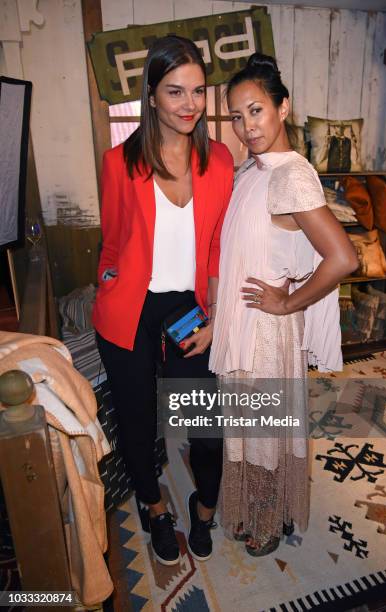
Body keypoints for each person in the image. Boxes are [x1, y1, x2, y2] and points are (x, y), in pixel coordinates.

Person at [209, 53, 358, 556]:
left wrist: (289, 301)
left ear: (283, 108)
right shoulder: (250, 171)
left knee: (265, 431)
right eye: (236, 115)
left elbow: (342, 257)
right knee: (249, 428)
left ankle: (269, 517)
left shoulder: (290, 175)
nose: (246, 126)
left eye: (255, 111)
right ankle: (253, 506)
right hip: (243, 323)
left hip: (268, 330)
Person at [93, 35, 234, 566]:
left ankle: (203, 507)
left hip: (186, 310)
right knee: (137, 422)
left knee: (206, 428)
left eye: (198, 92)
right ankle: (154, 509)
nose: (189, 105)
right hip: (130, 310)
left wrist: (216, 317)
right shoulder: (118, 162)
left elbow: (219, 243)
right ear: (151, 95)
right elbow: (112, 240)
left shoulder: (219, 160)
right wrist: (109, 283)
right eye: (175, 91)